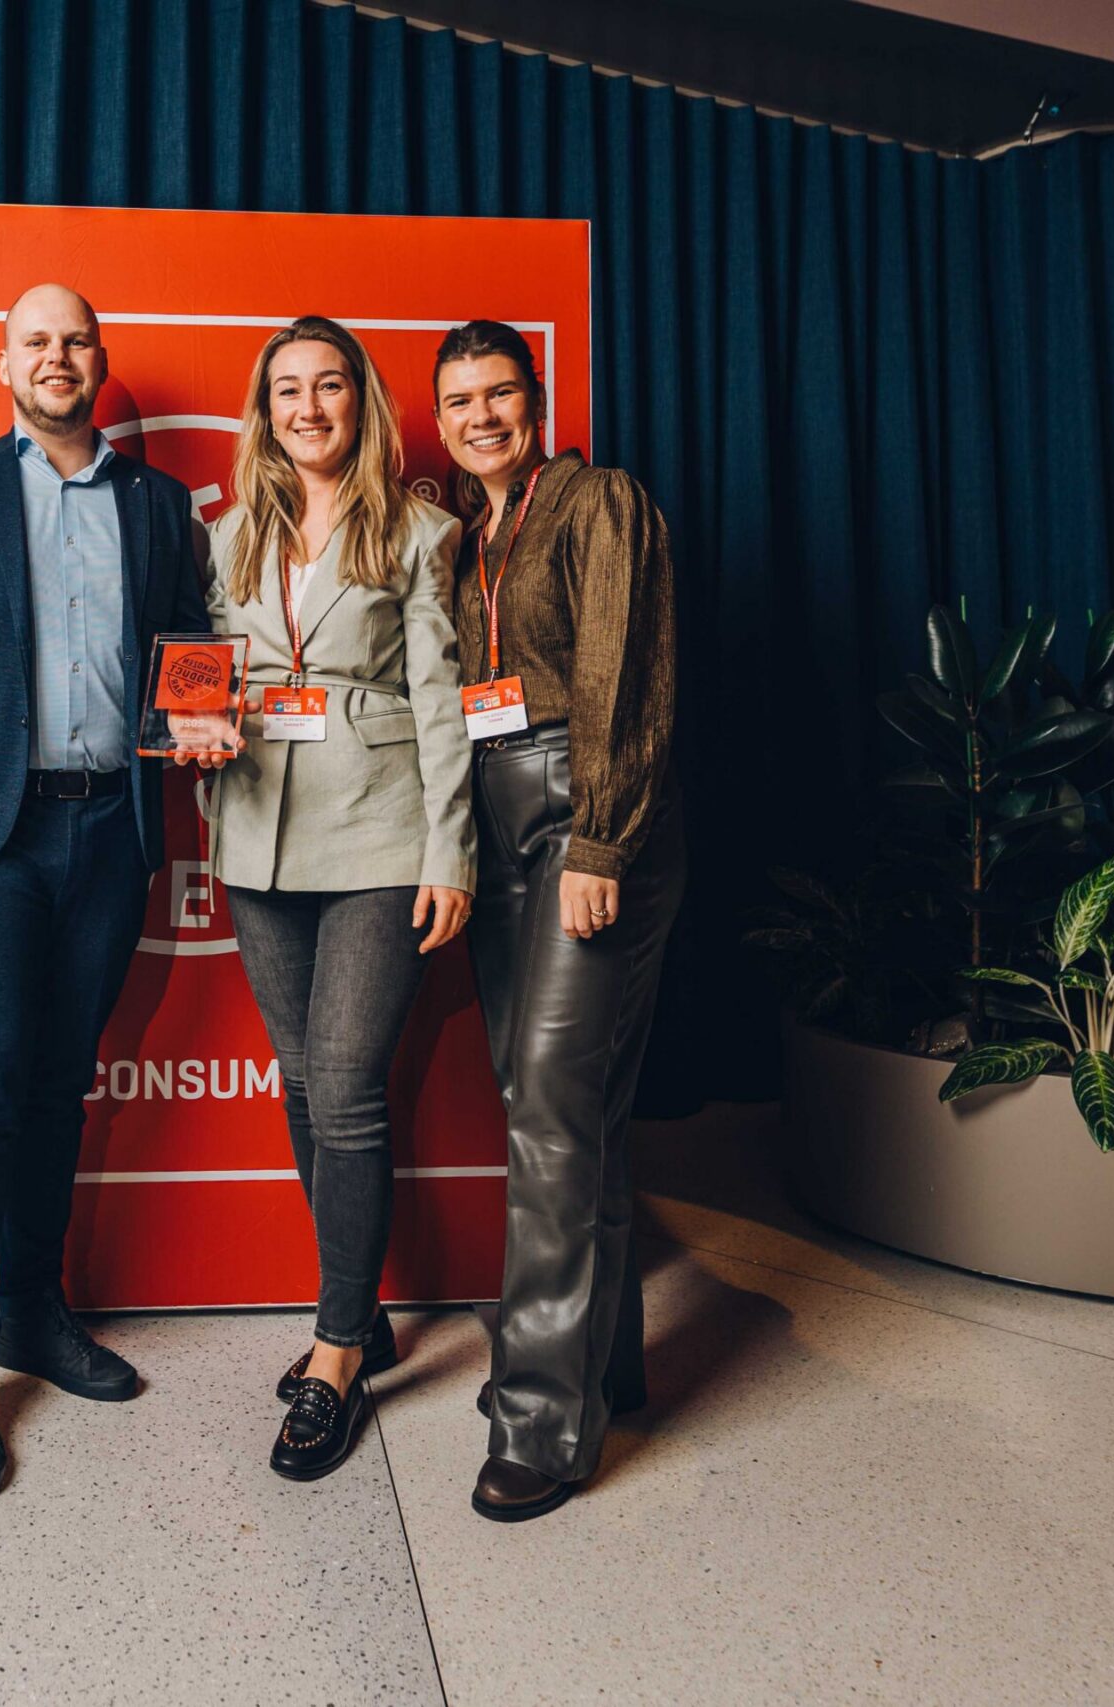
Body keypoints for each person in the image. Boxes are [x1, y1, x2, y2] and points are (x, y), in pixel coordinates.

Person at [0, 283, 209, 1500]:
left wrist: (198, 720)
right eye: (35, 341)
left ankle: (32, 1310)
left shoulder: (158, 504)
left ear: (99, 363)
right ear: (4, 365)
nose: (56, 356)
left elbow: (185, 651)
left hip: (111, 831)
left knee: (62, 1088)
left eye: (74, 340)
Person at [199, 317, 474, 1482]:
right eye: (286, 391)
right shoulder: (227, 536)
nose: (307, 408)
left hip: (378, 831)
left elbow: (443, 700)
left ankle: (336, 1350)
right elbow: (201, 673)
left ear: (360, 401)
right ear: (263, 411)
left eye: (328, 386)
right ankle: (358, 1314)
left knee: (350, 1086)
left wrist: (450, 854)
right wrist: (193, 731)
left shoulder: (419, 531)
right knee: (305, 1081)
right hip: (256, 832)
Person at [433, 320, 682, 1523]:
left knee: (548, 1104)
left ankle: (539, 1420)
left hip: (581, 807)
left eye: (497, 394)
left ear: (534, 402)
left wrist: (600, 841)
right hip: (491, 812)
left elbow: (622, 676)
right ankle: (600, 1368)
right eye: (457, 401)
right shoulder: (462, 535)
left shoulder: (597, 501)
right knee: (561, 1107)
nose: (479, 417)